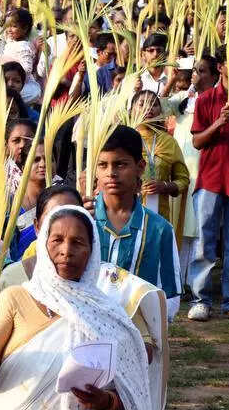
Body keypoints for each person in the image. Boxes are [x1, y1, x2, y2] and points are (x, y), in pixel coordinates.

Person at [0, 206, 153, 410]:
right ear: (43, 245)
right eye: (57, 240)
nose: (66, 251)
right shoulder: (16, 298)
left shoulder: (107, 314)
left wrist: (105, 401)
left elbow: (131, 394)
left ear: (92, 251)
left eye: (78, 243)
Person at [93, 125, 181, 320]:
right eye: (102, 165)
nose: (111, 173)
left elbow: (171, 298)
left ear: (140, 167)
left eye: (120, 164)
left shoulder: (160, 229)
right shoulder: (82, 220)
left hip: (138, 335)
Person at [188, 43, 229, 322]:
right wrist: (218, 124)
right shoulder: (206, 100)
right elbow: (196, 141)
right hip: (210, 179)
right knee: (205, 242)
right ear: (221, 66)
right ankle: (200, 299)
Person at [161, 55, 218, 290]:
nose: (195, 74)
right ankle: (178, 280)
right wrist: (171, 78)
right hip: (183, 169)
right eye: (194, 70)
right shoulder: (185, 99)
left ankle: (193, 283)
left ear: (215, 76)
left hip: (205, 169)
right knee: (180, 224)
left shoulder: (218, 102)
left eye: (202, 71)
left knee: (198, 227)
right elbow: (160, 106)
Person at [131, 90, 189, 228]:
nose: (149, 108)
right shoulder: (124, 138)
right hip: (128, 213)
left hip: (159, 217)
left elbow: (183, 180)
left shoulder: (169, 142)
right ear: (132, 109)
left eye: (154, 104)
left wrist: (165, 186)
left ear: (160, 111)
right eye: (142, 104)